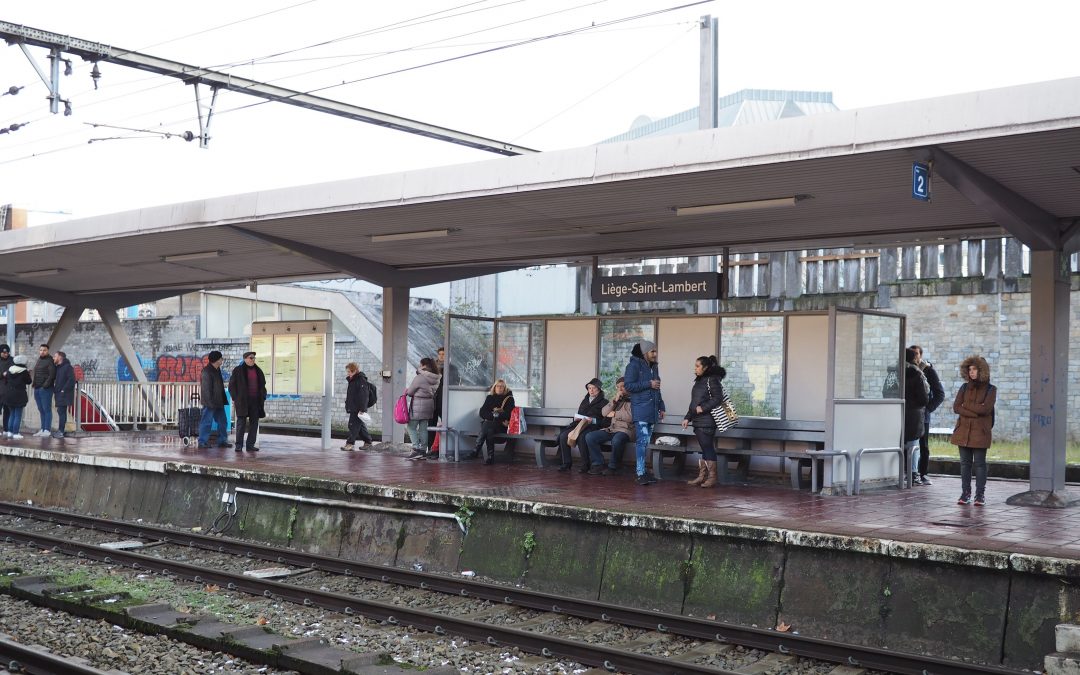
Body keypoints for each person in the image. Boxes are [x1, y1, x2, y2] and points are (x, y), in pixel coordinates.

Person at [951, 355, 996, 506]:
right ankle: (965, 493)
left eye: (974, 369)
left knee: (980, 464)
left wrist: (966, 407)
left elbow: (986, 409)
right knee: (965, 464)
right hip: (963, 431)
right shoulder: (964, 387)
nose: (971, 372)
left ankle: (980, 495)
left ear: (982, 370)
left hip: (980, 433)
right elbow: (956, 407)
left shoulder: (991, 389)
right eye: (969, 369)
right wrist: (975, 411)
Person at [682, 355, 727, 488]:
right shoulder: (700, 381)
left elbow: (718, 398)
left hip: (707, 421)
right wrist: (687, 417)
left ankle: (712, 477)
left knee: (707, 448)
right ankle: (702, 476)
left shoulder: (712, 380)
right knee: (704, 448)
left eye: (697, 366)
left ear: (705, 367)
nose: (695, 368)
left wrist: (703, 408)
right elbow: (694, 403)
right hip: (698, 420)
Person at [625, 340, 665, 486]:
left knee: (646, 442)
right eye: (652, 351)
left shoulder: (654, 367)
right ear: (644, 353)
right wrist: (648, 384)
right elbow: (628, 386)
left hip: (652, 410)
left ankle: (643, 471)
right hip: (641, 410)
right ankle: (640, 473)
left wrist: (662, 406)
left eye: (655, 351)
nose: (655, 354)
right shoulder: (633, 366)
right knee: (641, 442)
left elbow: (657, 388)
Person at [910, 345, 946, 485]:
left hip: (922, 415)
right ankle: (909, 473)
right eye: (911, 353)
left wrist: (928, 409)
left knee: (923, 445)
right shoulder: (907, 370)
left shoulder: (929, 371)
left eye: (916, 353)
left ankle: (923, 473)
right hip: (908, 414)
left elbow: (940, 393)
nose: (914, 356)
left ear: (921, 355)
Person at [583, 377, 633, 476]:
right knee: (590, 437)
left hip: (626, 430)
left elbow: (632, 417)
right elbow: (604, 413)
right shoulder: (617, 399)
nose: (620, 389)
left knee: (617, 440)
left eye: (623, 386)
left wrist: (615, 414)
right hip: (612, 429)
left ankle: (613, 466)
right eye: (618, 387)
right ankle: (598, 464)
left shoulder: (636, 399)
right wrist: (614, 400)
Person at [556, 378, 607, 472]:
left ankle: (585, 465)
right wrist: (577, 418)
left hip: (592, 427)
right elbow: (580, 413)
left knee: (582, 437)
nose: (591, 390)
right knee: (563, 436)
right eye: (589, 388)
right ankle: (566, 463)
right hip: (579, 424)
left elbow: (605, 421)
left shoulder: (604, 402)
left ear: (599, 389)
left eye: (593, 388)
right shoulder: (585, 400)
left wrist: (594, 420)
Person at [229, 351, 267, 452]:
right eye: (251, 358)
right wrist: (235, 398)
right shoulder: (238, 370)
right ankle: (239, 445)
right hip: (242, 401)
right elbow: (232, 386)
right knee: (241, 423)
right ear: (245, 359)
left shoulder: (258, 370)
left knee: (254, 423)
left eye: (254, 358)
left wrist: (263, 396)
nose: (253, 359)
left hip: (256, 401)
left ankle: (250, 445)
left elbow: (263, 385)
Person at [903, 347, 930, 487]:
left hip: (897, 413)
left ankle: (900, 472)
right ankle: (913, 474)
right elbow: (924, 398)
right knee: (913, 445)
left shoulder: (894, 372)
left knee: (900, 444)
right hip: (914, 414)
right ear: (914, 358)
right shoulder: (917, 373)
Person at [405, 357, 441, 460]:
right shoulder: (436, 378)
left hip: (418, 404)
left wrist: (407, 391)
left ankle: (416, 448)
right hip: (429, 404)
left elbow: (410, 392)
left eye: (420, 364)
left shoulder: (420, 377)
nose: (419, 366)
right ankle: (423, 450)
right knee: (423, 428)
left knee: (411, 426)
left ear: (424, 365)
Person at [475, 379, 514, 465]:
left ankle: (476, 450)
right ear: (494, 387)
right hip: (491, 426)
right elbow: (482, 412)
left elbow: (508, 414)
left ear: (505, 388)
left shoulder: (509, 399)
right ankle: (490, 458)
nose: (500, 388)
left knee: (487, 425)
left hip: (502, 426)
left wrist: (495, 416)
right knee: (489, 430)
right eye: (498, 386)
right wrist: (493, 416)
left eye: (502, 387)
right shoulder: (490, 397)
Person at [198, 350, 229, 450]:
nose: (222, 360)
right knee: (206, 422)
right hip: (210, 403)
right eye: (221, 358)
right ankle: (202, 442)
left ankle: (222, 441)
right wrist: (210, 403)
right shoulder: (207, 371)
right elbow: (206, 389)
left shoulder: (217, 369)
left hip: (218, 401)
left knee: (223, 421)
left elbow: (219, 386)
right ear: (216, 360)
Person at [341, 362, 373, 451]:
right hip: (353, 407)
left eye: (349, 371)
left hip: (357, 408)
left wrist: (362, 409)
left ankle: (350, 444)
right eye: (347, 371)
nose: (348, 373)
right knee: (360, 426)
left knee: (352, 426)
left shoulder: (360, 380)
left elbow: (364, 396)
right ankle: (368, 442)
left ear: (355, 370)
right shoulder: (353, 380)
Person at [3, 355, 32, 439]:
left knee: (11, 414)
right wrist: (28, 373)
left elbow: (6, 381)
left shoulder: (9, 370)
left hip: (9, 395)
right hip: (19, 395)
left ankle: (10, 432)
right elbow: (29, 381)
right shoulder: (24, 371)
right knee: (18, 415)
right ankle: (16, 433)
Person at [31, 344, 56, 437]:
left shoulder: (50, 361)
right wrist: (34, 385)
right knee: (41, 409)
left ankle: (47, 430)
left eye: (44, 350)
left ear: (48, 351)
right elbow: (36, 373)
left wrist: (44, 386)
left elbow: (52, 375)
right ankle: (42, 429)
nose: (42, 352)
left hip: (45, 389)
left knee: (47, 409)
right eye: (40, 350)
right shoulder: (39, 360)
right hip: (37, 388)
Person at [52, 350, 76, 439]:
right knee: (60, 412)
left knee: (62, 412)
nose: (53, 358)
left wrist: (63, 390)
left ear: (60, 357)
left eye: (55, 356)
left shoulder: (67, 367)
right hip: (59, 393)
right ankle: (61, 430)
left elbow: (71, 380)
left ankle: (61, 431)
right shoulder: (58, 367)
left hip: (64, 394)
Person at [0, 344, 12, 435]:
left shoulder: (12, 360)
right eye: (4, 352)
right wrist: (2, 374)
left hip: (8, 390)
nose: (6, 354)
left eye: (7, 352)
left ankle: (6, 429)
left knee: (7, 411)